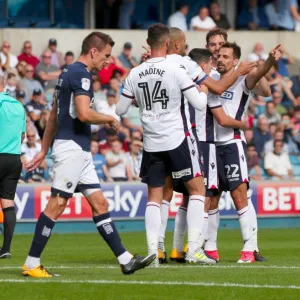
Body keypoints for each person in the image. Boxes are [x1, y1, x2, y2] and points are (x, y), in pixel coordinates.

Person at [22, 31, 155, 278]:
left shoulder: (66, 73)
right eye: (106, 55)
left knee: (100, 203)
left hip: (78, 151)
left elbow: (54, 115)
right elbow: (83, 114)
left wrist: (43, 149)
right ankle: (31, 262)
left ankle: (125, 260)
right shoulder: (81, 74)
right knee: (58, 204)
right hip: (72, 149)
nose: (107, 61)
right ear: (93, 51)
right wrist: (110, 118)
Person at [207, 42, 281, 263]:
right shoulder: (211, 79)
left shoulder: (243, 80)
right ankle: (210, 249)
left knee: (240, 196)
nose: (220, 59)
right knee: (212, 199)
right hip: (210, 146)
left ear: (235, 61)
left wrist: (269, 60)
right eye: (218, 56)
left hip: (232, 144)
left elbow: (258, 75)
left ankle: (249, 248)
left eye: (226, 56)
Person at [0, 75, 26, 258]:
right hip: (14, 159)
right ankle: (6, 249)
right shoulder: (18, 106)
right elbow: (23, 136)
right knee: (8, 203)